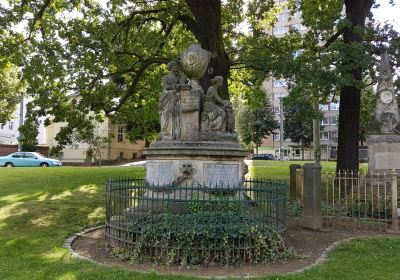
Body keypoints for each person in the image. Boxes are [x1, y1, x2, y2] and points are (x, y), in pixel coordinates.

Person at [158, 61, 186, 140]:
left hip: (174, 97)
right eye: (175, 65)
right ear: (171, 67)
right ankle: (166, 134)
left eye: (177, 65)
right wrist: (175, 86)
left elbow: (183, 85)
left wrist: (182, 76)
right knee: (166, 113)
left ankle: (174, 134)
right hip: (166, 97)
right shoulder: (165, 77)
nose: (176, 67)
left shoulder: (178, 78)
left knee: (174, 113)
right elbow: (166, 87)